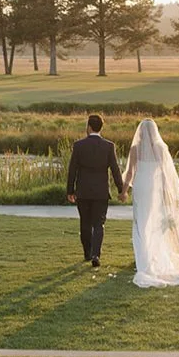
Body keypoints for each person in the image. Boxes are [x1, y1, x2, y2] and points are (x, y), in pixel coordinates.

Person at [122, 118, 179, 288]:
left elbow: (130, 172)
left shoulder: (135, 149)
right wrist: (169, 193)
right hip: (155, 188)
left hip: (141, 187)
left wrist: (124, 190)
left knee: (142, 221)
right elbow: (166, 173)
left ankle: (144, 257)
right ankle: (153, 254)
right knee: (156, 220)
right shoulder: (161, 148)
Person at [65, 114, 124, 268]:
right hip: (101, 192)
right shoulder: (109, 146)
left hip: (83, 191)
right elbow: (115, 169)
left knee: (85, 222)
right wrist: (121, 189)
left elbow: (73, 170)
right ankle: (96, 255)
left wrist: (70, 191)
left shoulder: (79, 146)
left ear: (89, 127)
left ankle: (87, 253)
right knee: (99, 224)